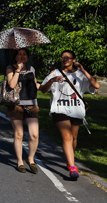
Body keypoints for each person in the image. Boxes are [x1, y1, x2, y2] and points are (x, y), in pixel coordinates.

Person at [40, 50, 100, 180]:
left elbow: (96, 85)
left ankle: (69, 159)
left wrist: (83, 70)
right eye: (63, 57)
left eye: (68, 57)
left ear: (74, 60)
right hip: (59, 109)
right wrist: (52, 80)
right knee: (67, 137)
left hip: (76, 109)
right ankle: (73, 168)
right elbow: (43, 90)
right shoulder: (54, 73)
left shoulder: (80, 75)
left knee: (73, 138)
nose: (65, 59)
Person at [6, 48, 40, 174]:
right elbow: (11, 85)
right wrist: (18, 70)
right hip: (16, 105)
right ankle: (20, 161)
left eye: (24, 54)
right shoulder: (10, 68)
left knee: (34, 134)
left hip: (30, 105)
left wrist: (49, 83)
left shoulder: (31, 69)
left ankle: (30, 159)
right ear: (15, 57)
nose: (22, 56)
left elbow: (35, 85)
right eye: (19, 54)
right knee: (19, 134)